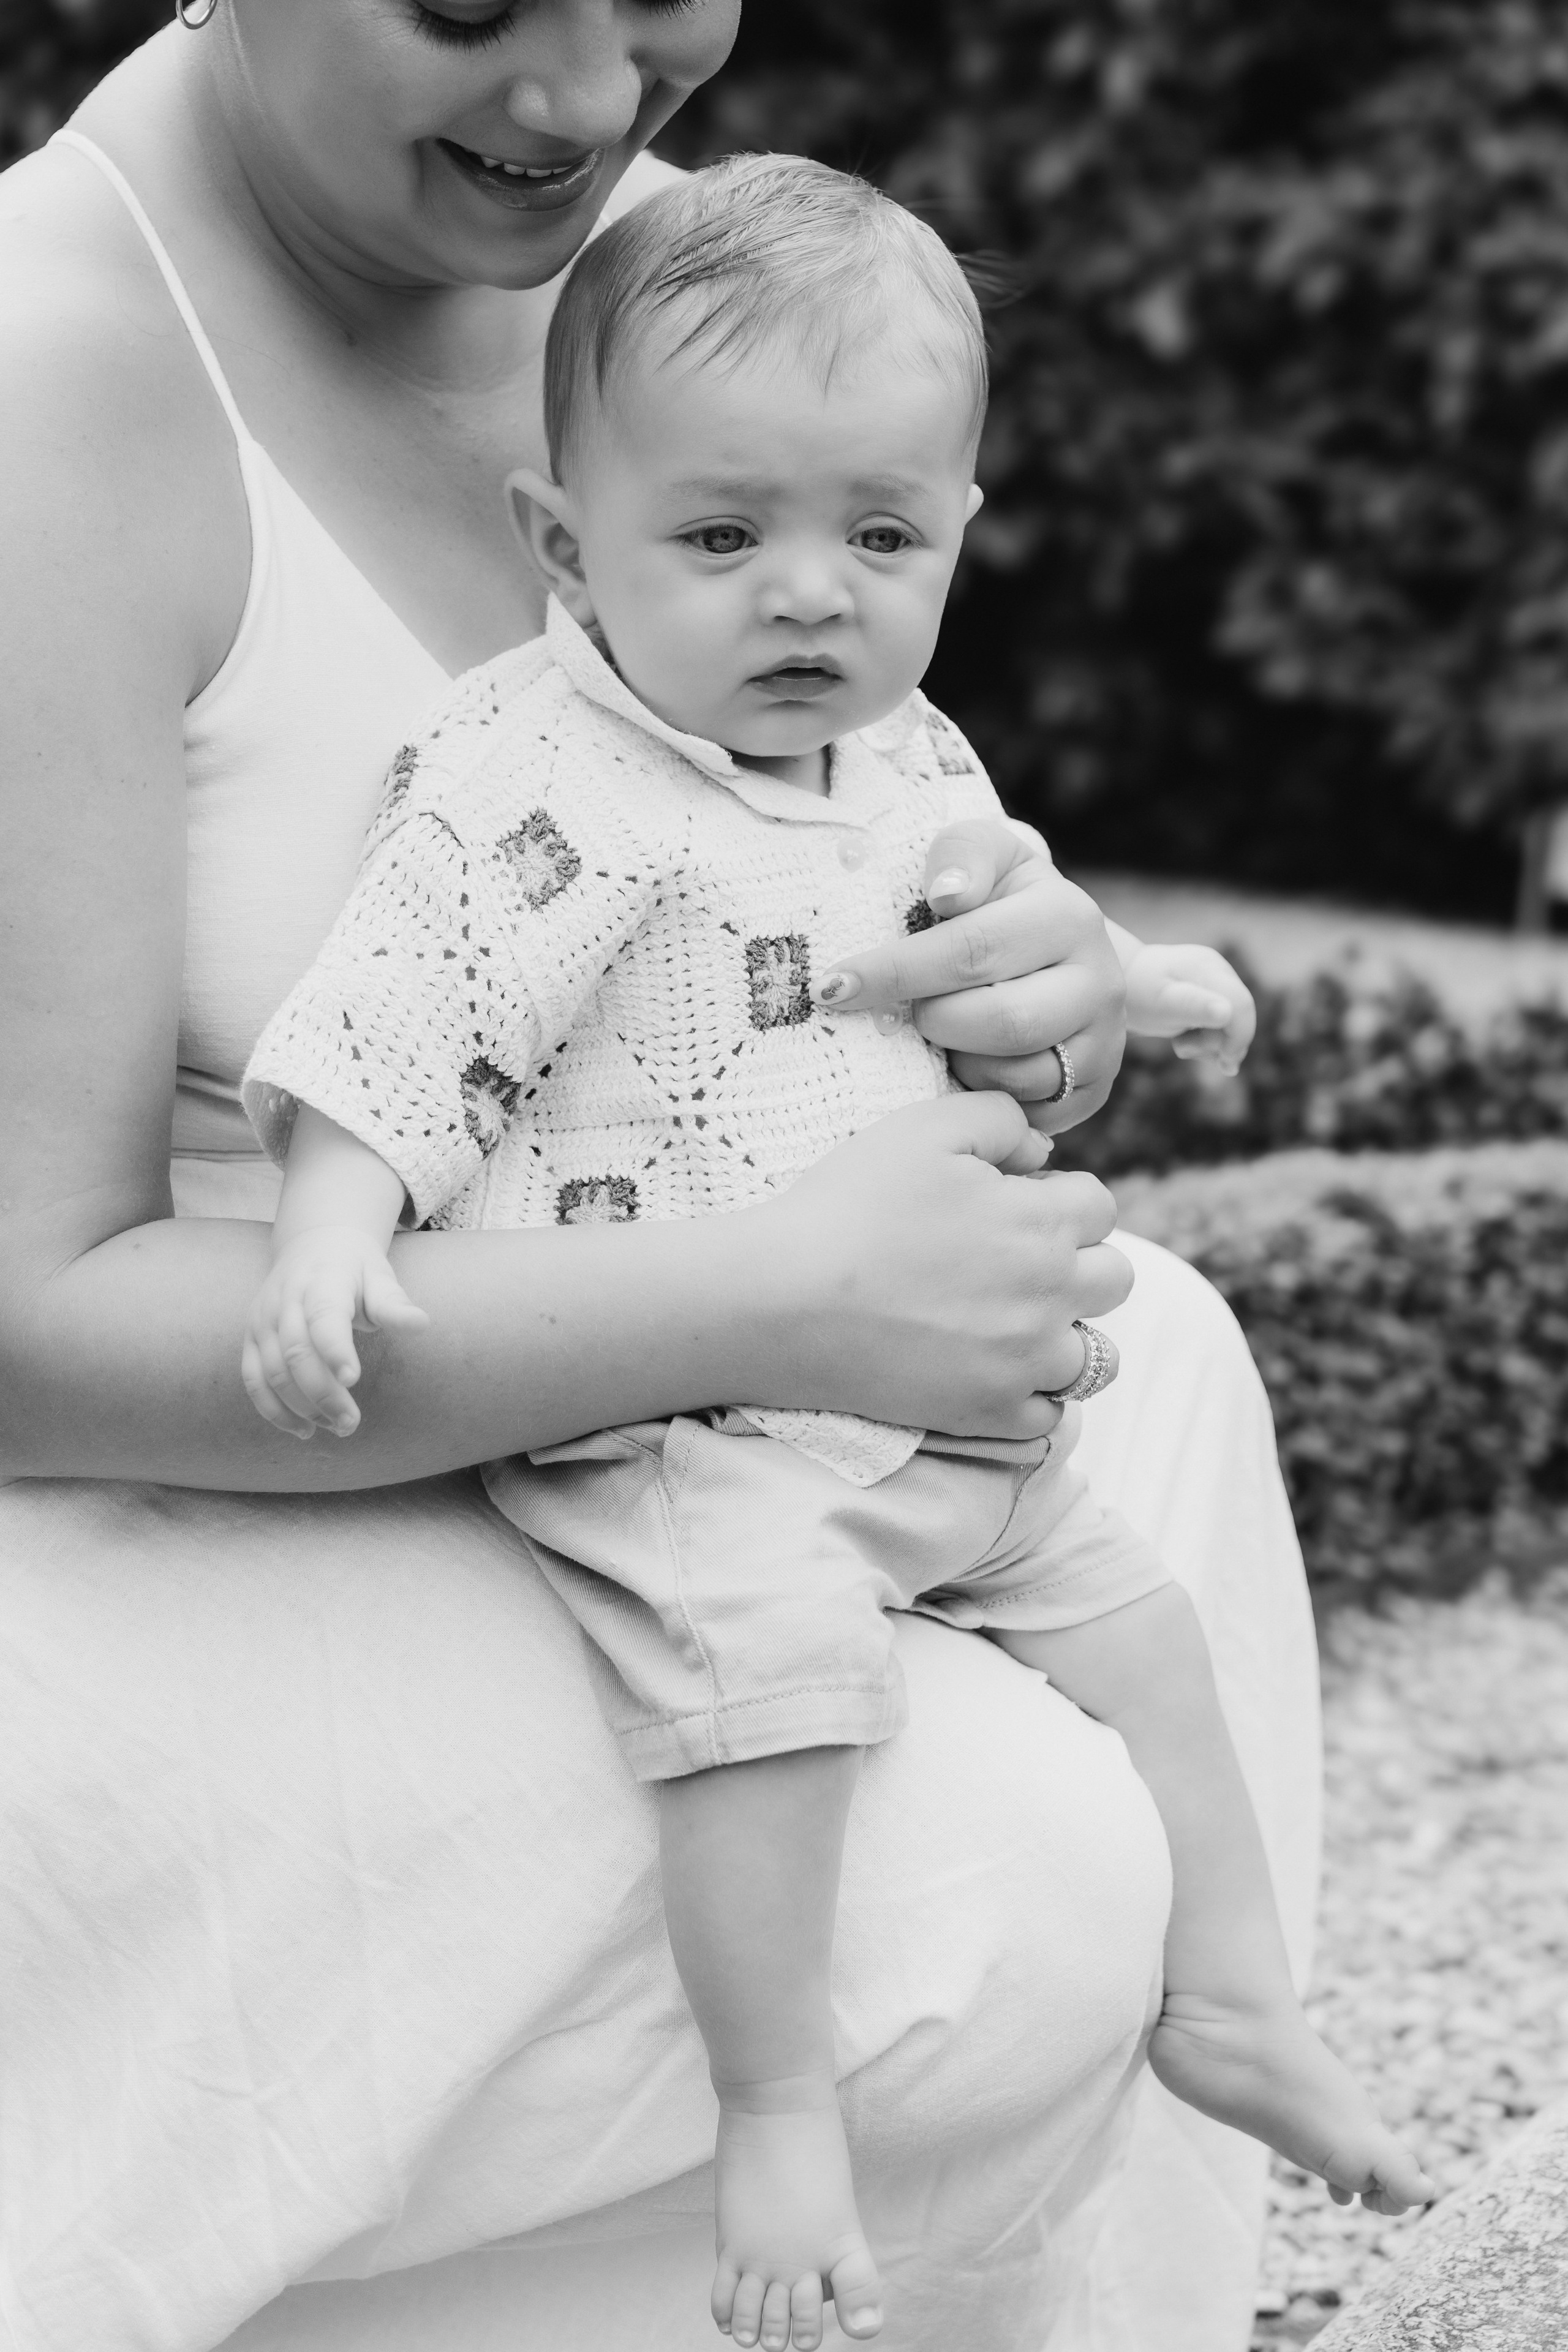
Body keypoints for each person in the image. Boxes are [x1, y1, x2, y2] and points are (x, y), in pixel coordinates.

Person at [0, 11, 1320, 2351]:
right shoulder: (50, 377)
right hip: (179, 1481)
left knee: (1166, 1360)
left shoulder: (671, 274)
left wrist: (1024, 982)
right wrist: (779, 1295)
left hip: (612, 1351)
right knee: (1014, 1877)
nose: (591, 99)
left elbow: (791, 831)